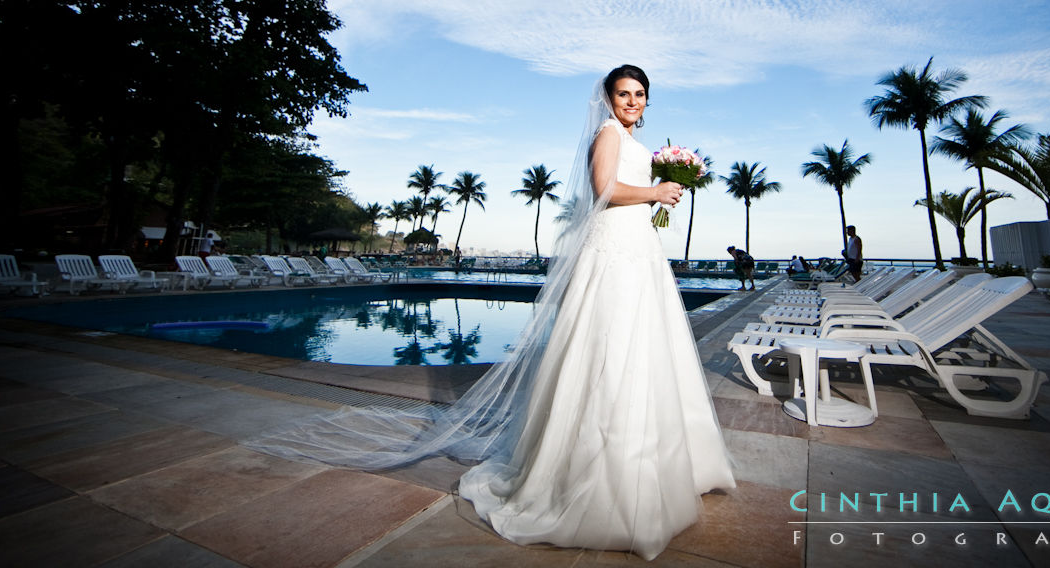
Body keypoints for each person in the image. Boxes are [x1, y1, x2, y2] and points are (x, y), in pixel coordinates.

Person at [249, 65, 735, 561]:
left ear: (648, 101)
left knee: (646, 348)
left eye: (639, 95)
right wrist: (656, 191)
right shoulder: (607, 134)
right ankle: (597, 473)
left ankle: (662, 463)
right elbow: (603, 189)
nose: (631, 102)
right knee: (609, 346)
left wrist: (662, 187)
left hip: (639, 248)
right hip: (614, 250)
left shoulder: (633, 141)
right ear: (608, 98)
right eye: (623, 93)